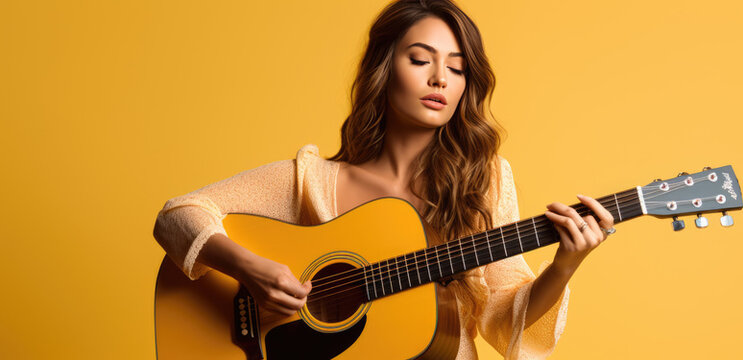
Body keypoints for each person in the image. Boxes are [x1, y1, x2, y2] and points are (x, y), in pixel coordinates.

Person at [152, 0, 615, 358]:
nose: (440, 79)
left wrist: (564, 266)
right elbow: (178, 215)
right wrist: (249, 270)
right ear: (383, 68)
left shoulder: (485, 179)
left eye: (456, 68)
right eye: (421, 60)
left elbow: (502, 319)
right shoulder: (311, 179)